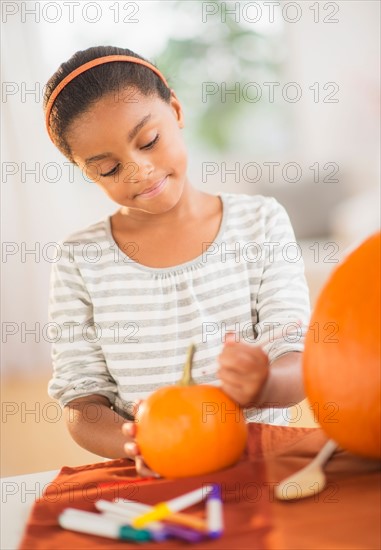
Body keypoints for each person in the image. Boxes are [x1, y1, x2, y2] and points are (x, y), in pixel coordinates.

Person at [44, 45, 310, 475]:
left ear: (176, 110)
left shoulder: (260, 223)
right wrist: (139, 441)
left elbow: (296, 361)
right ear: (86, 172)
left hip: (259, 468)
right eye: (109, 169)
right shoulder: (79, 260)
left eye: (149, 140)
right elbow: (82, 401)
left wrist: (264, 384)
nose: (139, 170)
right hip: (153, 475)